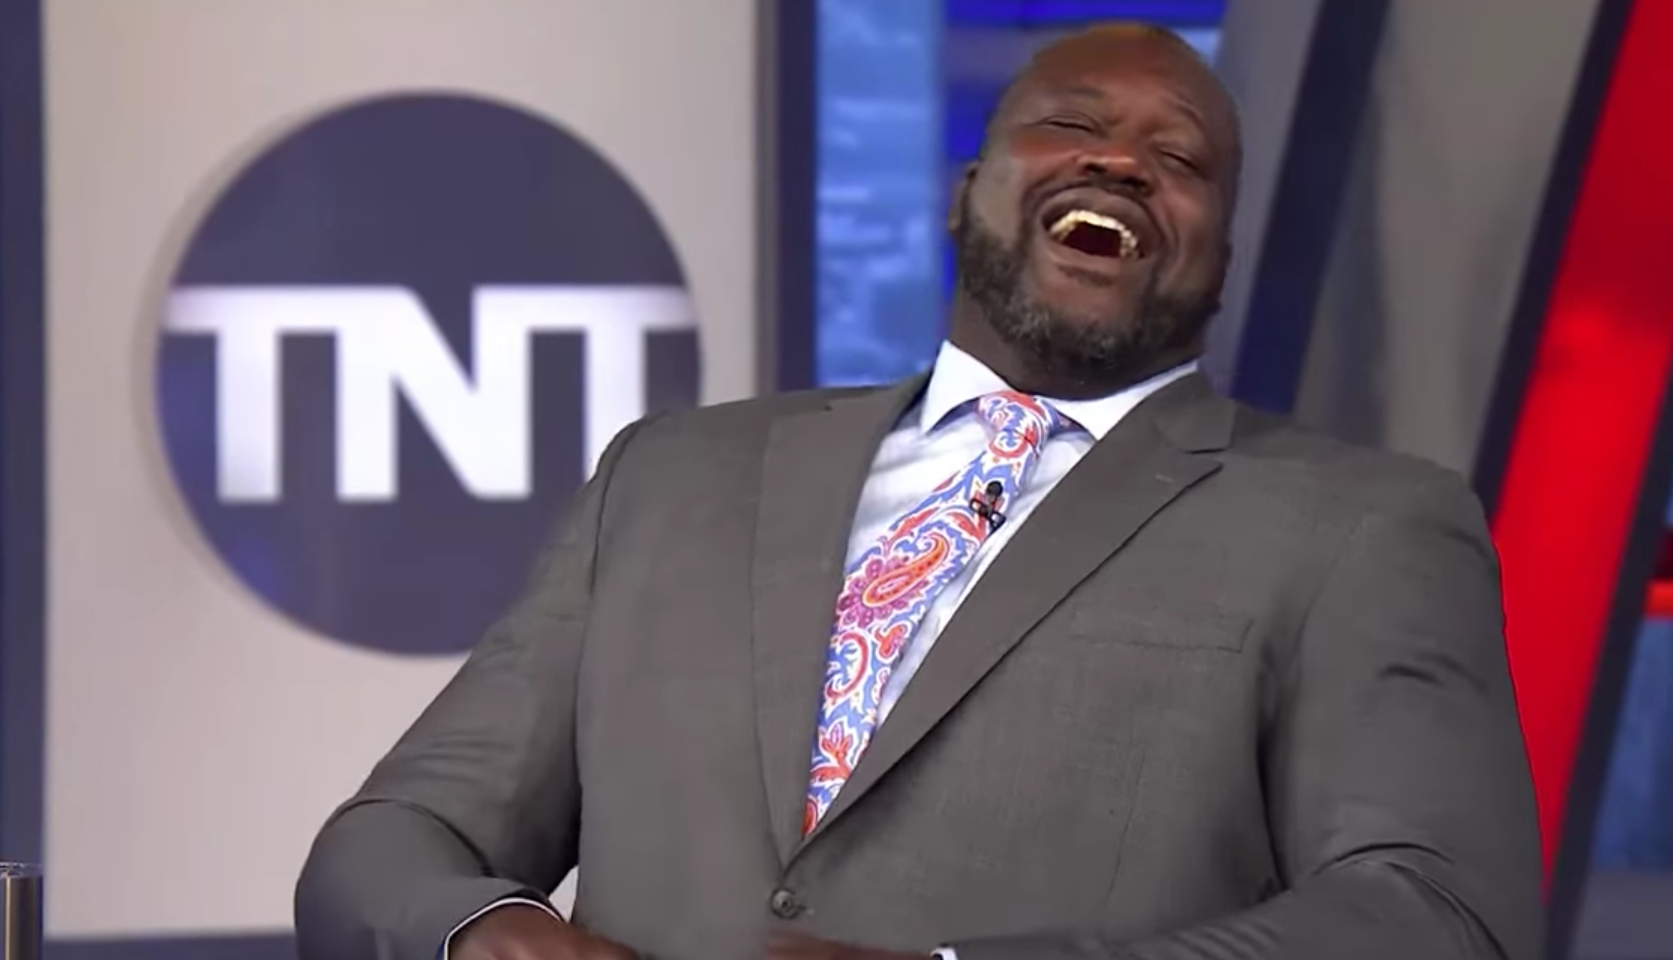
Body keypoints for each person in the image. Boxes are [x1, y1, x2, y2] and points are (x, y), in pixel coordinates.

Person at [294, 22, 1542, 960]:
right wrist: (487, 933)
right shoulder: (671, 476)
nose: (1120, 159)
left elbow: (1435, 914)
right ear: (966, 193)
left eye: (1180, 158)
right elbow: (389, 843)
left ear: (1219, 262)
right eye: (1070, 123)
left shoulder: (1365, 526)